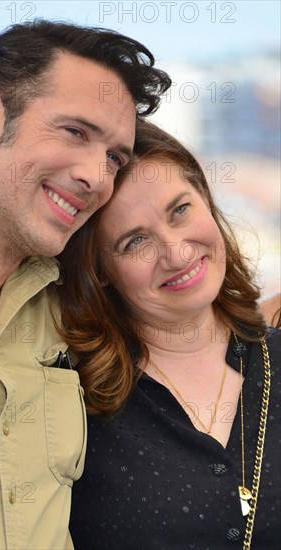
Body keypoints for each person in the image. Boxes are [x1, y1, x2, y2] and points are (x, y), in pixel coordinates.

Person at [0, 21, 171, 550]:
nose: (97, 176)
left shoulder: (82, 305)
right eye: (75, 132)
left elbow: (201, 321)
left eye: (115, 158)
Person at [56, 121, 280, 549]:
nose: (176, 254)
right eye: (135, 241)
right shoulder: (71, 400)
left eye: (180, 210)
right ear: (99, 271)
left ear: (207, 202)